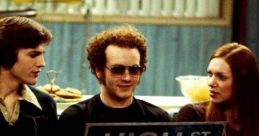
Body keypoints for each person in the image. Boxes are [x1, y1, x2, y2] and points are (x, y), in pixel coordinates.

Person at [58, 25, 171, 136]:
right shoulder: (75, 119)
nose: (127, 78)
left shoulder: (158, 120)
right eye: (117, 70)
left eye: (134, 70)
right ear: (99, 70)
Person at [175, 43, 259, 136]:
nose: (211, 83)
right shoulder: (193, 115)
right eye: (210, 74)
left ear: (243, 82)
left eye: (221, 77)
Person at [0, 16, 57, 136]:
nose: (42, 63)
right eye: (33, 55)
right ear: (6, 54)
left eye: (42, 54)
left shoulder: (45, 103)